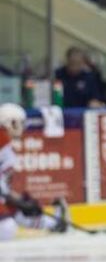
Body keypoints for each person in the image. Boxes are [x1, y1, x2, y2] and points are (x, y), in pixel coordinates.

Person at [0, 103, 69, 241]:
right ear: (11, 123)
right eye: (20, 123)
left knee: (16, 213)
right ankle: (53, 223)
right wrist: (18, 201)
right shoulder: (2, 141)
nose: (22, 127)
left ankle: (53, 224)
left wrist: (19, 200)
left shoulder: (5, 142)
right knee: (7, 227)